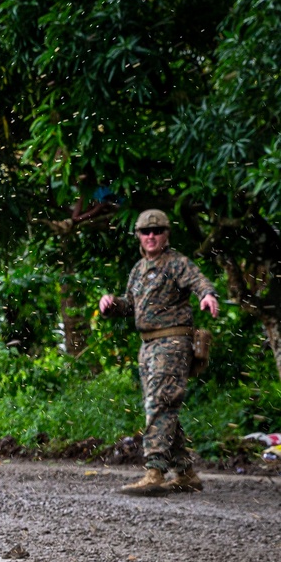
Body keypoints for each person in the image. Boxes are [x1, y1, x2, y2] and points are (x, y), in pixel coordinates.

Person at [99, 209, 219, 496]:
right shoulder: (139, 270)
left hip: (173, 343)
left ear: (166, 234)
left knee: (160, 403)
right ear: (139, 236)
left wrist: (208, 295)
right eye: (145, 231)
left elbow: (199, 281)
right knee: (162, 406)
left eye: (157, 231)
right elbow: (131, 304)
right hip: (148, 345)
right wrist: (112, 304)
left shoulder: (177, 263)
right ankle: (185, 472)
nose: (151, 236)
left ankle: (154, 471)